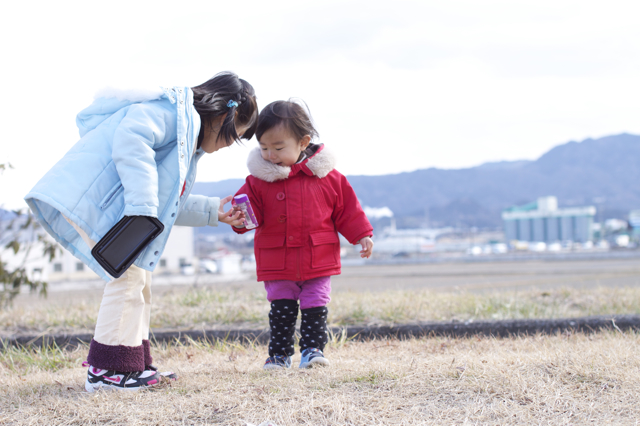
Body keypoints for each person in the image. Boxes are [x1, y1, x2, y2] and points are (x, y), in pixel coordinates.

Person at [25, 71, 258, 391]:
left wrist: (212, 212)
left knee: (138, 278)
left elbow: (166, 204)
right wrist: (143, 205)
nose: (227, 145)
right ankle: (107, 371)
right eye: (234, 135)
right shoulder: (173, 113)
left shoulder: (186, 137)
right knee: (129, 278)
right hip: (93, 202)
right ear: (222, 117)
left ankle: (131, 364)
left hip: (114, 208)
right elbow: (132, 138)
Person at [232, 100, 374, 370]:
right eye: (263, 148)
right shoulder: (257, 181)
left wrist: (362, 234)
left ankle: (312, 350)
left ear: (303, 142)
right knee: (282, 309)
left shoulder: (329, 177)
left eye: (278, 147)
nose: (270, 155)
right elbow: (247, 217)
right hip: (278, 259)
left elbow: (347, 210)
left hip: (317, 256)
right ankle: (279, 355)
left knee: (315, 305)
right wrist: (238, 219)